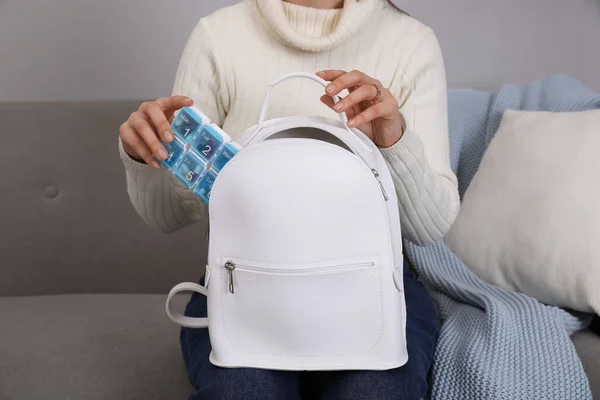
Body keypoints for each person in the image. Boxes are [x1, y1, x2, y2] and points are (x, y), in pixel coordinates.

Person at [118, 0, 460, 398]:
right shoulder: (218, 36)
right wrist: (145, 154)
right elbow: (168, 217)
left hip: (372, 283)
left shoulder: (411, 43)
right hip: (245, 281)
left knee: (374, 391)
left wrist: (393, 139)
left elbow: (430, 228)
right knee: (244, 390)